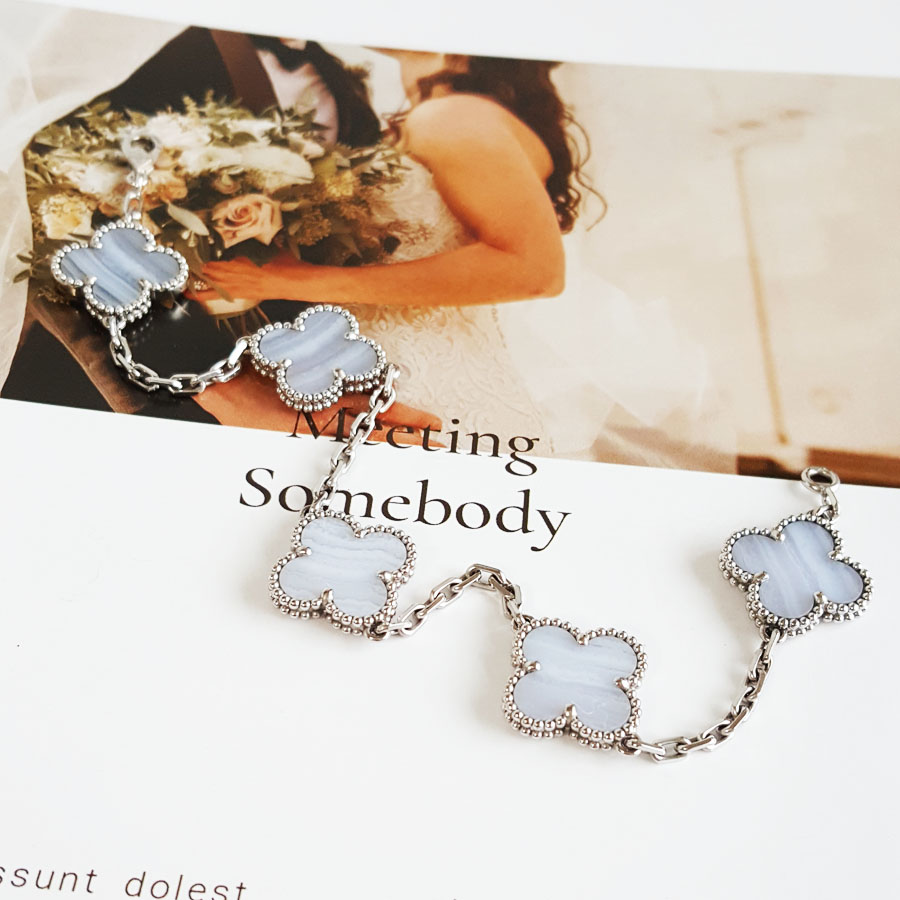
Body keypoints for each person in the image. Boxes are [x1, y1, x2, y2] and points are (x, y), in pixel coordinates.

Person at [192, 51, 584, 445]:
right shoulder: (448, 115)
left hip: (416, 389)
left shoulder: (451, 115)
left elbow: (533, 269)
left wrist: (291, 280)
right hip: (372, 378)